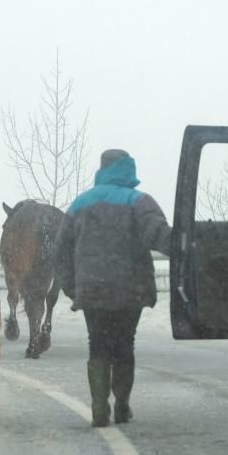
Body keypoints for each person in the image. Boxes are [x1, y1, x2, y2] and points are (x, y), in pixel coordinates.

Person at [55, 149, 172, 427]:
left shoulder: (79, 204)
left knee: (97, 344)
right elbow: (158, 235)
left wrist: (73, 287)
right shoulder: (139, 201)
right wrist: (189, 247)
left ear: (102, 169)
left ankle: (98, 408)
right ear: (129, 169)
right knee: (124, 343)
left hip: (92, 290)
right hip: (128, 290)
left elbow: (61, 251)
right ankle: (121, 405)